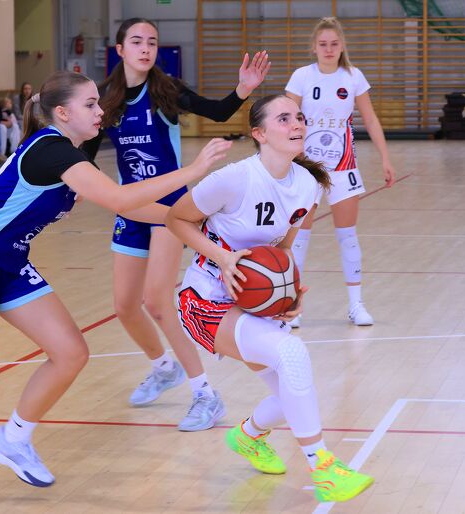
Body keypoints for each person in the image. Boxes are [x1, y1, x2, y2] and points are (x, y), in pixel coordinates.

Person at [0, 70, 232, 504]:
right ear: (63, 113)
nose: (100, 110)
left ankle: (14, 438)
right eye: (90, 104)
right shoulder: (50, 150)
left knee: (70, 352)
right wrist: (193, 171)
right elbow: (121, 200)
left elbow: (132, 209)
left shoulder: (69, 154)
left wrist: (190, 217)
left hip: (9, 263)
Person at [166, 94, 374, 503]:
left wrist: (290, 294)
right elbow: (177, 219)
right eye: (284, 119)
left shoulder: (309, 184)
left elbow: (283, 250)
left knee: (291, 392)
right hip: (204, 300)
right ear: (259, 134)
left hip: (252, 302)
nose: (297, 124)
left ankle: (247, 436)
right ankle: (323, 468)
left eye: (299, 117)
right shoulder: (234, 178)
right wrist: (224, 258)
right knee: (293, 355)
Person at [81, 17, 270, 431]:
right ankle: (163, 367)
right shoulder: (106, 100)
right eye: (137, 41)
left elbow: (217, 112)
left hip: (168, 210)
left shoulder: (166, 92)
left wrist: (243, 89)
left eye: (152, 42)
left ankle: (205, 395)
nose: (145, 48)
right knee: (124, 306)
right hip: (131, 208)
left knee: (157, 302)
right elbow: (85, 154)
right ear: (119, 49)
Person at [285, 17, 396, 327]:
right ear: (314, 47)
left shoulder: (353, 76)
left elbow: (370, 119)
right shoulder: (301, 77)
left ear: (342, 45)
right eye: (323, 44)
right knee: (299, 238)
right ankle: (294, 305)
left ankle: (356, 304)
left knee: (347, 236)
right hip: (306, 168)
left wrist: (385, 158)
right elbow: (286, 119)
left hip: (343, 167)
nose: (329, 49)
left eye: (334, 43)